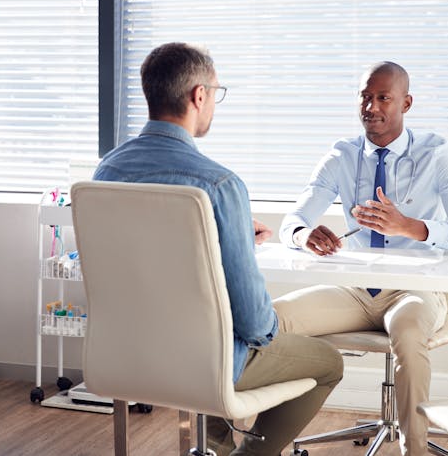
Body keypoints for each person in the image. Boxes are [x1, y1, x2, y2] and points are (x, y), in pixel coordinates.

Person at [94, 42, 343, 456]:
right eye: (216, 93)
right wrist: (269, 331)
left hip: (127, 355)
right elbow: (254, 321)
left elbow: (138, 256)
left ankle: (216, 448)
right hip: (205, 363)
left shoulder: (107, 172)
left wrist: (226, 234)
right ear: (199, 95)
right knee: (328, 362)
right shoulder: (220, 185)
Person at [277, 61, 448, 456]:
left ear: (406, 103)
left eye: (383, 98)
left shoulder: (436, 153)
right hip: (354, 290)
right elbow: (294, 220)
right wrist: (305, 236)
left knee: (407, 333)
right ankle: (259, 442)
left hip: (415, 289)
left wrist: (410, 227)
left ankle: (415, 451)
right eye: (365, 97)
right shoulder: (342, 154)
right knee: (271, 318)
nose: (371, 107)